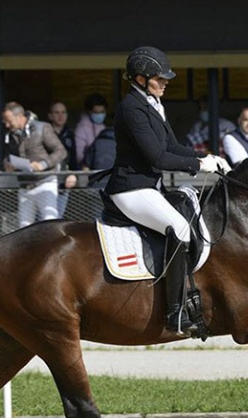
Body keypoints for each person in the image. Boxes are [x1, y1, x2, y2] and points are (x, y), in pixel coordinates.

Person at [102, 46, 230, 336]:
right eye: (160, 79)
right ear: (140, 78)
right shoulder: (132, 108)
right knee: (181, 230)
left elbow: (172, 147)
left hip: (150, 186)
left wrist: (210, 157)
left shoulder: (153, 104)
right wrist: (199, 165)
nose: (166, 83)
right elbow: (157, 158)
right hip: (130, 189)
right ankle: (175, 313)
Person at [1, 101, 67, 228]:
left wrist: (43, 164)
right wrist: (7, 164)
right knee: (24, 227)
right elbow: (7, 156)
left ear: (20, 117)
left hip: (45, 182)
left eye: (9, 120)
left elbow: (61, 151)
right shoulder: (11, 134)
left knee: (50, 223)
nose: (7, 125)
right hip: (25, 185)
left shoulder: (42, 128)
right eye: (5, 121)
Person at [48, 101, 78, 217]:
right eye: (56, 112)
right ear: (50, 115)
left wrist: (73, 174)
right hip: (47, 180)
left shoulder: (69, 134)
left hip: (63, 183)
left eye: (63, 112)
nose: (60, 116)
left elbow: (73, 158)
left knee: (57, 216)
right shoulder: (45, 132)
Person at [74, 93, 108, 168]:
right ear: (89, 111)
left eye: (102, 112)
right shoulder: (81, 129)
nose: (99, 115)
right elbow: (79, 155)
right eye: (96, 113)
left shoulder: (103, 127)